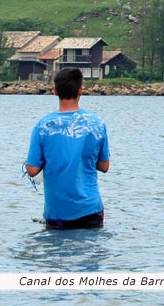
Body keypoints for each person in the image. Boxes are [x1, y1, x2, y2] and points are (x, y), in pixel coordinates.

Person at [25, 67, 110, 230]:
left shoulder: (43, 126)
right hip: (90, 208)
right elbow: (104, 166)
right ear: (81, 91)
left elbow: (32, 170)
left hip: (57, 211)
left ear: (55, 91)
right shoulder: (97, 124)